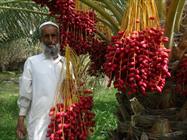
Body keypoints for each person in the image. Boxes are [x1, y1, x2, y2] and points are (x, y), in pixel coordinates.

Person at [16, 21, 66, 140]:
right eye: (46, 36)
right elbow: (25, 92)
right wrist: (21, 117)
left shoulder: (66, 63)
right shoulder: (32, 62)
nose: (50, 40)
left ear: (58, 38)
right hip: (38, 120)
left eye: (53, 35)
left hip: (62, 121)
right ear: (41, 39)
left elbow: (73, 91)